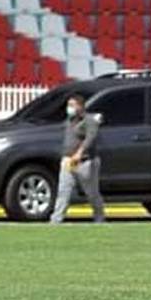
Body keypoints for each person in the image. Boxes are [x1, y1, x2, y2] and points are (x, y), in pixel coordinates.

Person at [50, 93, 105, 224]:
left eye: (72, 105)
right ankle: (56, 220)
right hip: (68, 161)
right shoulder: (69, 120)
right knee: (63, 191)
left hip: (85, 162)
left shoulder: (89, 121)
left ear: (80, 106)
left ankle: (99, 217)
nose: (69, 108)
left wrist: (80, 153)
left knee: (91, 192)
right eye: (68, 105)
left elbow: (90, 138)